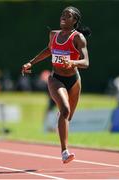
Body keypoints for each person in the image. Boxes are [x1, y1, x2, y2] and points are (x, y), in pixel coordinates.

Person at [22, 6, 91, 164]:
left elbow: (86, 62)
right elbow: (49, 50)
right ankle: (64, 152)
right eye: (62, 15)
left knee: (68, 116)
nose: (63, 17)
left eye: (68, 16)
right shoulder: (53, 34)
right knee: (65, 110)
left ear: (74, 21)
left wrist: (72, 62)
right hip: (56, 78)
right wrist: (31, 62)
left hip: (74, 80)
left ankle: (60, 121)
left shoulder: (78, 38)